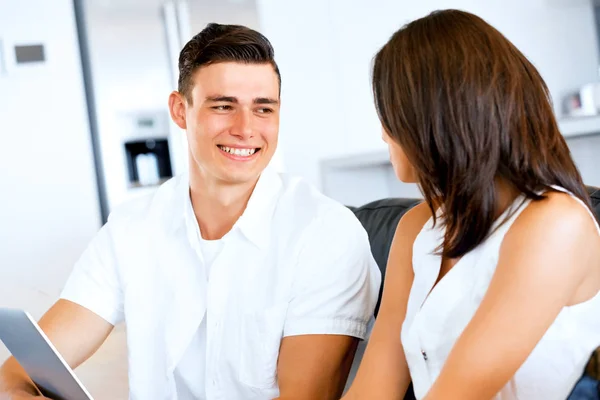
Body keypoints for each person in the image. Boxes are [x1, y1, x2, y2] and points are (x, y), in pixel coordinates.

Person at [0, 23, 381, 400]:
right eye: (223, 106)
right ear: (180, 111)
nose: (246, 128)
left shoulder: (326, 233)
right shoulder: (132, 227)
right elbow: (18, 372)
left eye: (263, 109)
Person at [343, 9, 600, 400]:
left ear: (431, 118)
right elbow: (373, 388)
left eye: (390, 113)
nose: (383, 132)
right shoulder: (416, 227)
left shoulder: (554, 223)